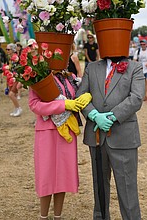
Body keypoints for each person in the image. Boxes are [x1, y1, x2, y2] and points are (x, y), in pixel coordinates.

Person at [76, 52, 145, 219]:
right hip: (97, 136)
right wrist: (93, 115)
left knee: (127, 188)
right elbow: (81, 95)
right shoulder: (92, 68)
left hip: (123, 137)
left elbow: (136, 98)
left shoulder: (135, 67)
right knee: (99, 186)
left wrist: (112, 116)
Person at [28, 69, 92, 219]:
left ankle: (58, 215)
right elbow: (34, 105)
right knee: (46, 174)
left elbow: (79, 97)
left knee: (63, 175)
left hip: (68, 130)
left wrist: (85, 98)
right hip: (46, 131)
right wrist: (62, 105)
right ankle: (43, 216)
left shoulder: (71, 77)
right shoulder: (38, 77)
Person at [6, 43, 22, 116]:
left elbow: (19, 68)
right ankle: (16, 108)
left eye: (8, 49)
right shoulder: (11, 57)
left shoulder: (15, 58)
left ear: (13, 50)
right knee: (13, 94)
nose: (7, 51)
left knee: (11, 94)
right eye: (6, 49)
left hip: (16, 78)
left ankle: (18, 108)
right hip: (12, 78)